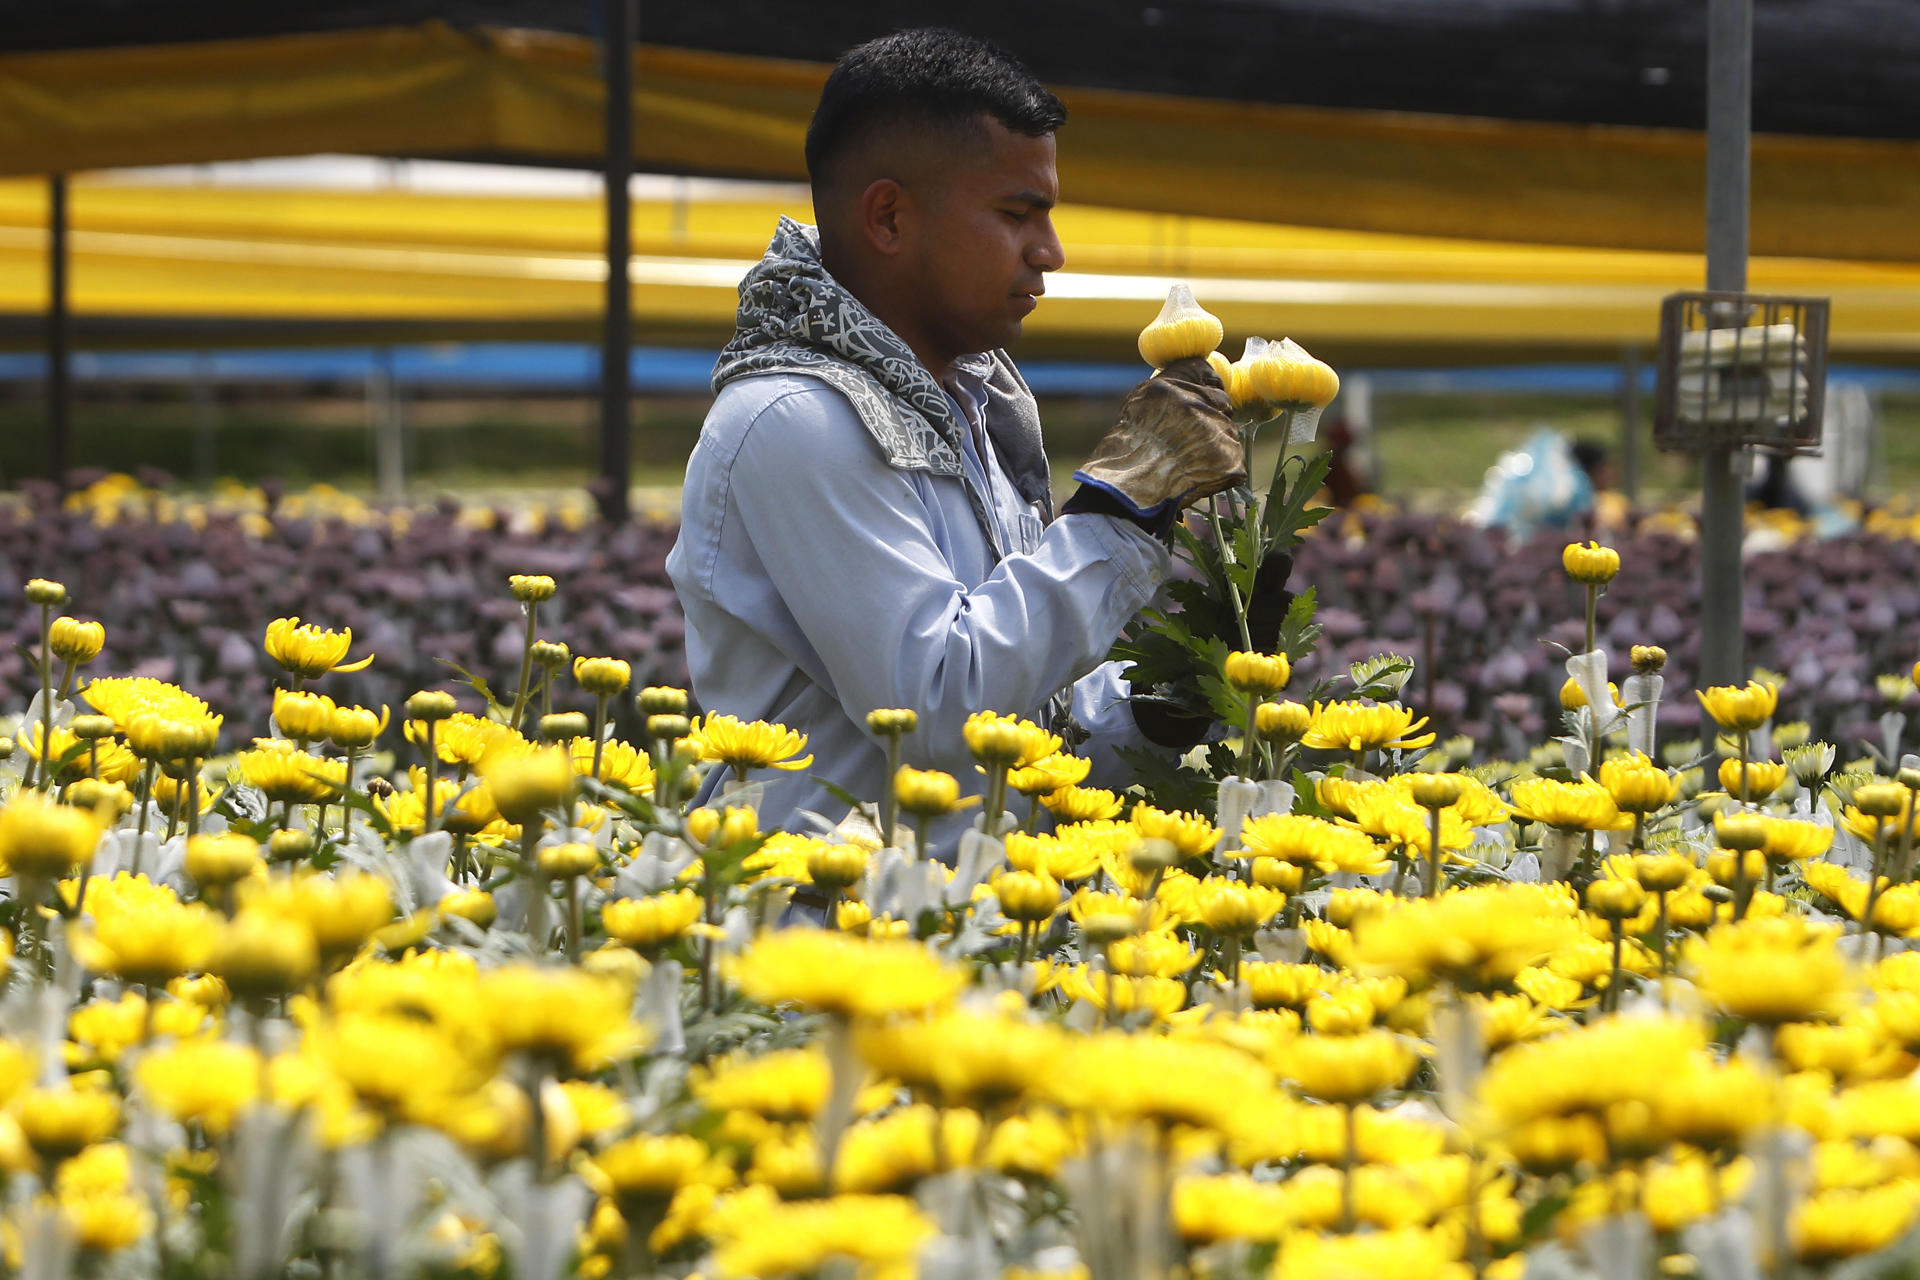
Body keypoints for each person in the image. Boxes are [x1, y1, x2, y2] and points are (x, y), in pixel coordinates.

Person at [666, 28, 1286, 854]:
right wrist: (1121, 510)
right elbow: (935, 705)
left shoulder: (973, 408)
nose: (1051, 253)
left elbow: (1014, 754)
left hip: (968, 929)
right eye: (1015, 214)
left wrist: (1159, 710)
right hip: (818, 944)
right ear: (888, 215)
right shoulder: (794, 418)